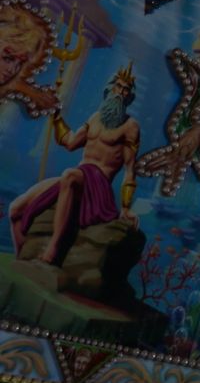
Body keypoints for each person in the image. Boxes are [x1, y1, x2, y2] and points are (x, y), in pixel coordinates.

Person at [8, 63, 141, 265]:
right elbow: (70, 142)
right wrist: (56, 117)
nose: (120, 93)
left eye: (125, 90)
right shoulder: (95, 118)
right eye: (118, 87)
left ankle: (54, 247)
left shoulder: (131, 126)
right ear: (110, 88)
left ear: (129, 96)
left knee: (69, 175)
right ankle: (22, 258)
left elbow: (130, 170)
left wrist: (125, 207)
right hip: (78, 176)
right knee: (15, 210)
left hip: (98, 185)